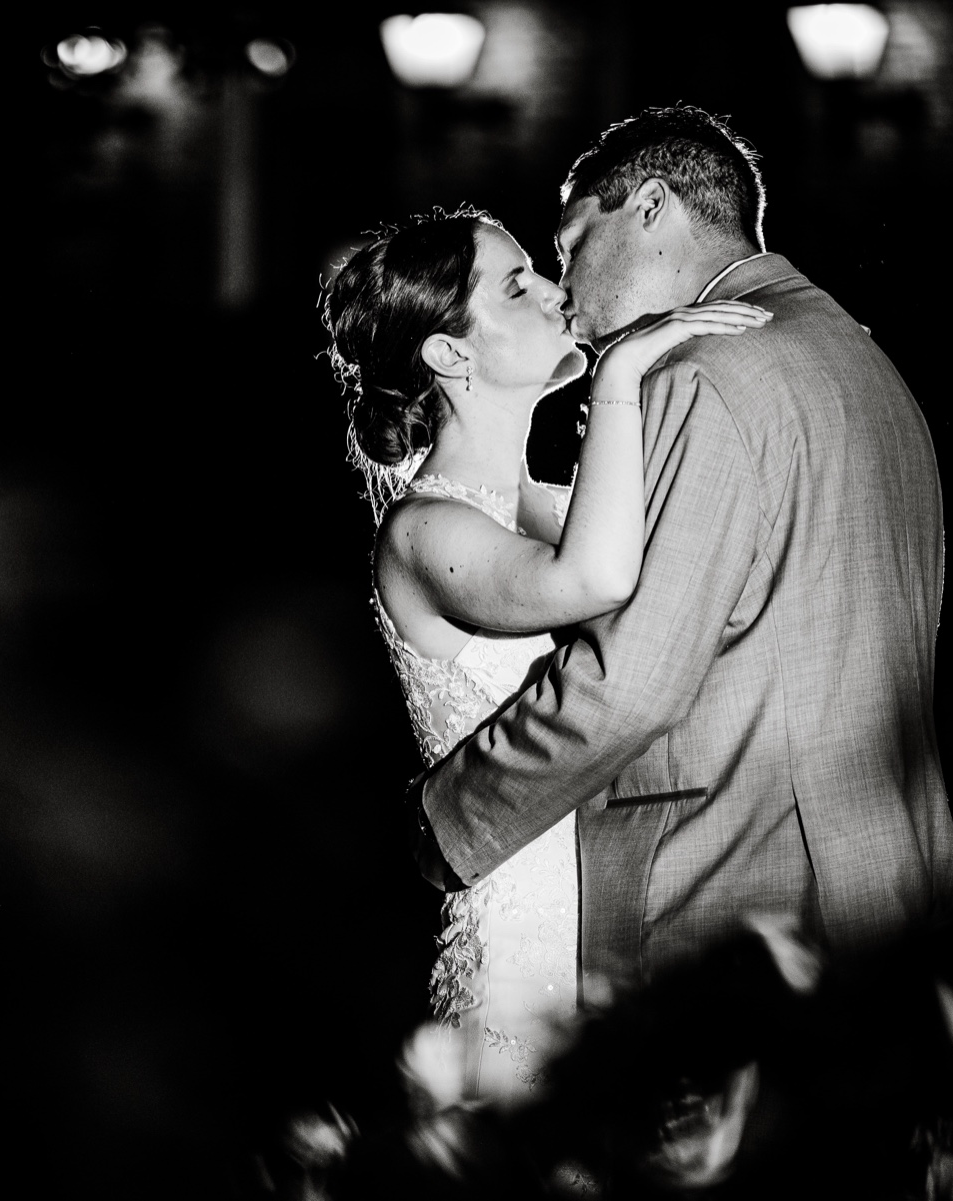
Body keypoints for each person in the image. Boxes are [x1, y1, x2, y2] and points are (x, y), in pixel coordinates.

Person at [406, 106, 953, 1000]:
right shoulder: (862, 360)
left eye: (571, 244)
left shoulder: (702, 373)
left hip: (743, 899)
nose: (565, 286)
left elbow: (633, 680)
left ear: (651, 207)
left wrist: (450, 818)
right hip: (888, 882)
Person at [321, 205, 770, 1101]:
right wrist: (622, 371)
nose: (557, 294)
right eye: (517, 286)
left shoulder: (537, 499)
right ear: (450, 354)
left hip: (619, 901)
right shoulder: (423, 529)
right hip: (528, 930)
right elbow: (594, 579)